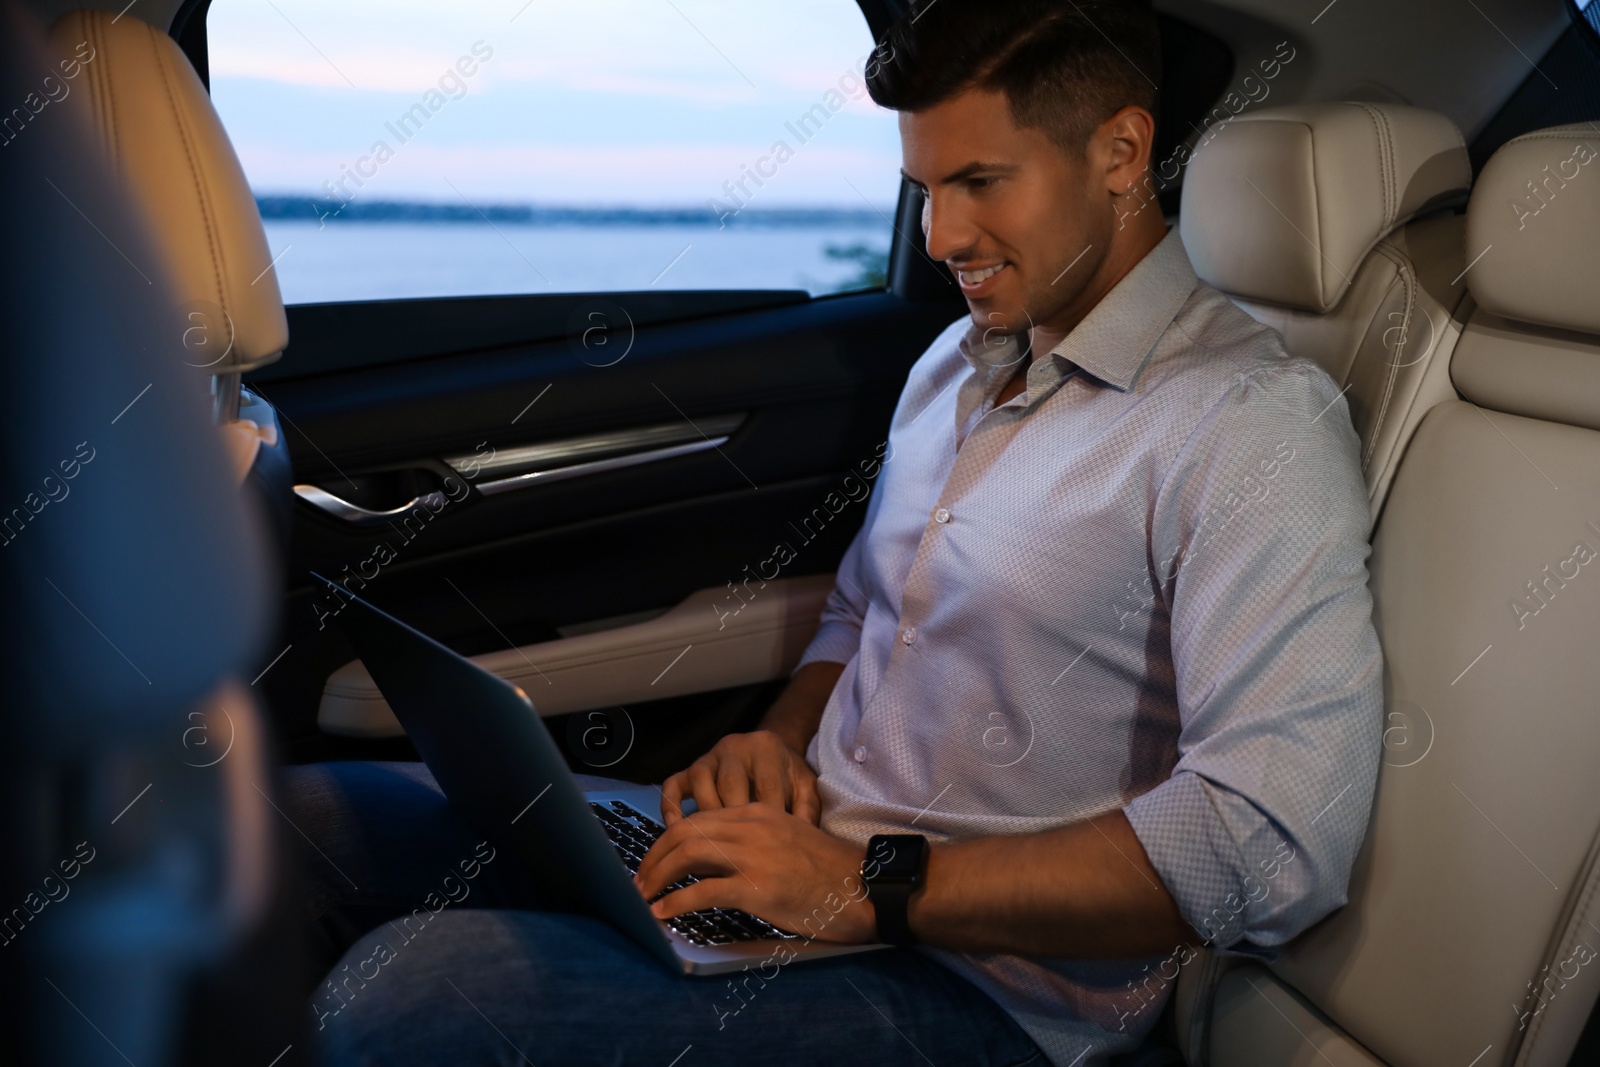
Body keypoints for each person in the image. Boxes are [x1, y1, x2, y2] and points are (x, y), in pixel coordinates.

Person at [285, 1, 1383, 1063]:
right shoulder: (953, 365)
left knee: (411, 999)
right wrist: (780, 739)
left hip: (982, 991)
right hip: (807, 872)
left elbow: (1273, 840)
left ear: (1119, 151)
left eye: (979, 182)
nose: (944, 235)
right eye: (924, 188)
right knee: (314, 818)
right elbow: (865, 609)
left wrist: (870, 888)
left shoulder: (1247, 424)